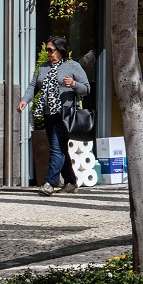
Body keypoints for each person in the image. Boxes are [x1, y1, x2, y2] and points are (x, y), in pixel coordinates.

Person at [18, 35, 91, 196]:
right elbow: (33, 86)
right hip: (47, 112)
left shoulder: (73, 66)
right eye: (47, 50)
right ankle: (71, 182)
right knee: (60, 149)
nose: (48, 53)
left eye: (50, 50)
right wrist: (25, 100)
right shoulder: (43, 68)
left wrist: (73, 84)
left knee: (56, 148)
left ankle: (49, 183)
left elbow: (86, 88)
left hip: (64, 114)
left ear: (60, 50)